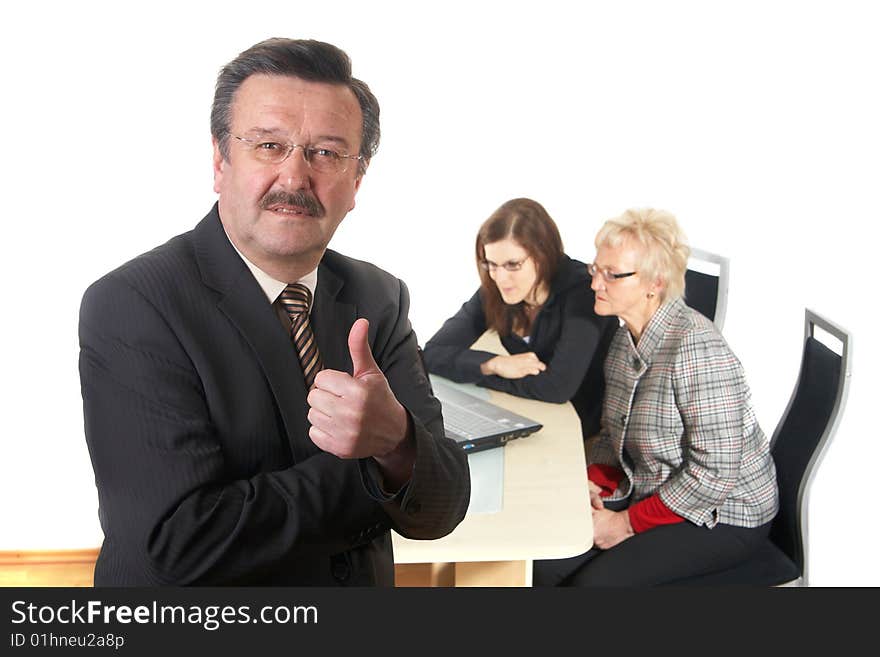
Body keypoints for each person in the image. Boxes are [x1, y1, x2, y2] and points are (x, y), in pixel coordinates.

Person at [78, 38, 470, 586]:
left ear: (356, 181)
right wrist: (381, 466)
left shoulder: (379, 297)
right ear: (220, 160)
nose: (294, 177)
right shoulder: (134, 304)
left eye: (327, 153)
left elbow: (442, 504)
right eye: (268, 145)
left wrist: (398, 438)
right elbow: (179, 544)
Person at [533, 208, 778, 586]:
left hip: (724, 514)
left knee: (591, 586)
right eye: (595, 269)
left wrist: (624, 524)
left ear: (655, 283)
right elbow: (614, 435)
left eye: (612, 275)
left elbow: (714, 474)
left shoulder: (697, 350)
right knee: (542, 561)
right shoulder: (623, 339)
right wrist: (594, 483)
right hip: (655, 491)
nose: (596, 283)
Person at [422, 198, 617, 439]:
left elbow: (557, 388)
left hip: (582, 433)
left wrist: (476, 372)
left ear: (542, 254)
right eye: (491, 264)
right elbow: (431, 353)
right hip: (530, 413)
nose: (501, 278)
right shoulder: (495, 289)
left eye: (513, 264)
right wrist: (494, 364)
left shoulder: (583, 292)